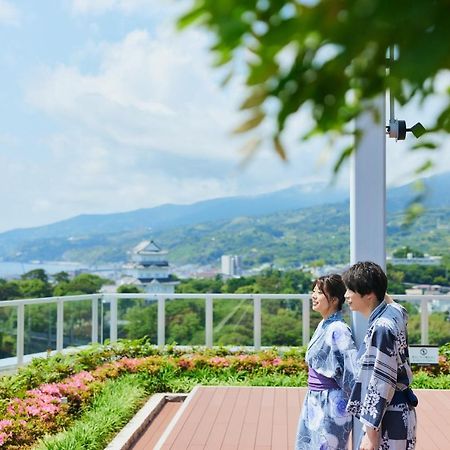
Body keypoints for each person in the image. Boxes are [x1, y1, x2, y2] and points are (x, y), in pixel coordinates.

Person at [343, 261, 417, 450]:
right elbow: (396, 305)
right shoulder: (393, 313)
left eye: (351, 290)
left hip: (388, 418)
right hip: (400, 411)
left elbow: (380, 384)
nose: (346, 295)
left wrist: (370, 436)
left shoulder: (381, 328)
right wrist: (376, 282)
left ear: (368, 294)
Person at [296, 274, 358, 450]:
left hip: (331, 403)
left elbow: (350, 371)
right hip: (316, 399)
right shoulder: (325, 324)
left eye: (319, 292)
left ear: (334, 300)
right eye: (313, 291)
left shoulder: (338, 329)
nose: (314, 296)